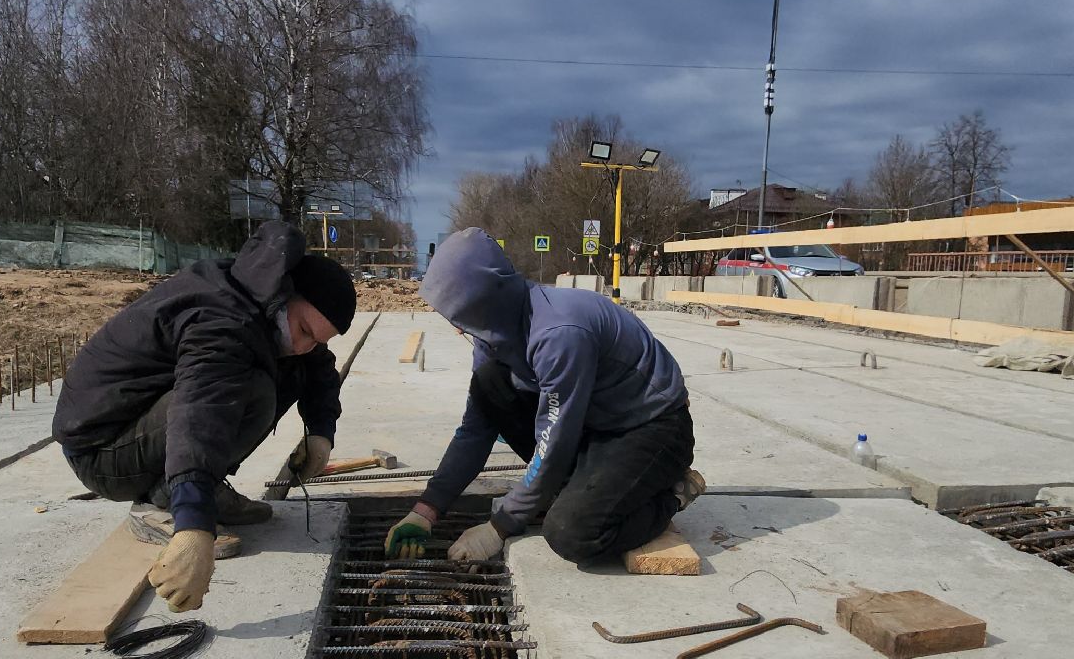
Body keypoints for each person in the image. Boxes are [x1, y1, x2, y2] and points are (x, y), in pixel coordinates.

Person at [54, 222, 356, 611]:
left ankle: (195, 489)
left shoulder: (260, 299)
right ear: (285, 293)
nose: (305, 344)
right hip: (102, 451)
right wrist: (194, 526)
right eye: (303, 330)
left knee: (284, 368)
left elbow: (318, 366)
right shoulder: (222, 318)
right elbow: (200, 413)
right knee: (249, 388)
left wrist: (321, 432)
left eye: (317, 338)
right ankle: (164, 503)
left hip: (139, 426)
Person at [385, 228, 705, 564]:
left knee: (572, 533)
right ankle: (584, 490)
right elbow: (475, 429)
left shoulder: (559, 333)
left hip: (651, 428)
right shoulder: (493, 335)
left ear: (484, 301)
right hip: (595, 422)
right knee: (490, 383)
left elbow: (554, 443)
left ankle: (672, 493)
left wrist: (500, 526)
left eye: (460, 314)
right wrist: (427, 510)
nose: (458, 327)